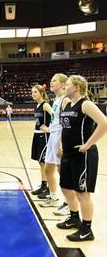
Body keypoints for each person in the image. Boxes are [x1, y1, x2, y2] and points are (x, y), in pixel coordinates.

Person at [56, 75, 106, 242]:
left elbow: (104, 123)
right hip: (68, 153)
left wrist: (88, 144)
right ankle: (74, 217)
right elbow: (65, 128)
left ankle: (86, 229)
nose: (65, 87)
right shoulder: (68, 103)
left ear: (76, 87)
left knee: (82, 193)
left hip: (83, 155)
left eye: (68, 85)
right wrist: (62, 145)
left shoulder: (86, 104)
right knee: (65, 187)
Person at [38, 74, 70, 214]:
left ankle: (68, 203)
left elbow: (66, 124)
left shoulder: (65, 99)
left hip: (60, 138)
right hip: (53, 135)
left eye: (54, 81)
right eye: (50, 80)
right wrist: (49, 129)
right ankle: (53, 197)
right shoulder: (56, 99)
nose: (51, 82)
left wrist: (62, 143)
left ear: (63, 84)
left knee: (62, 171)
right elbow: (56, 121)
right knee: (48, 169)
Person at [30, 84, 52, 199]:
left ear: (41, 93)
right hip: (37, 135)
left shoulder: (45, 105)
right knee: (40, 162)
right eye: (32, 92)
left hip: (44, 136)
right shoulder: (37, 105)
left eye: (36, 92)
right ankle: (43, 185)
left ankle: (49, 188)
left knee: (45, 163)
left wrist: (49, 129)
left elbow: (55, 116)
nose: (33, 94)